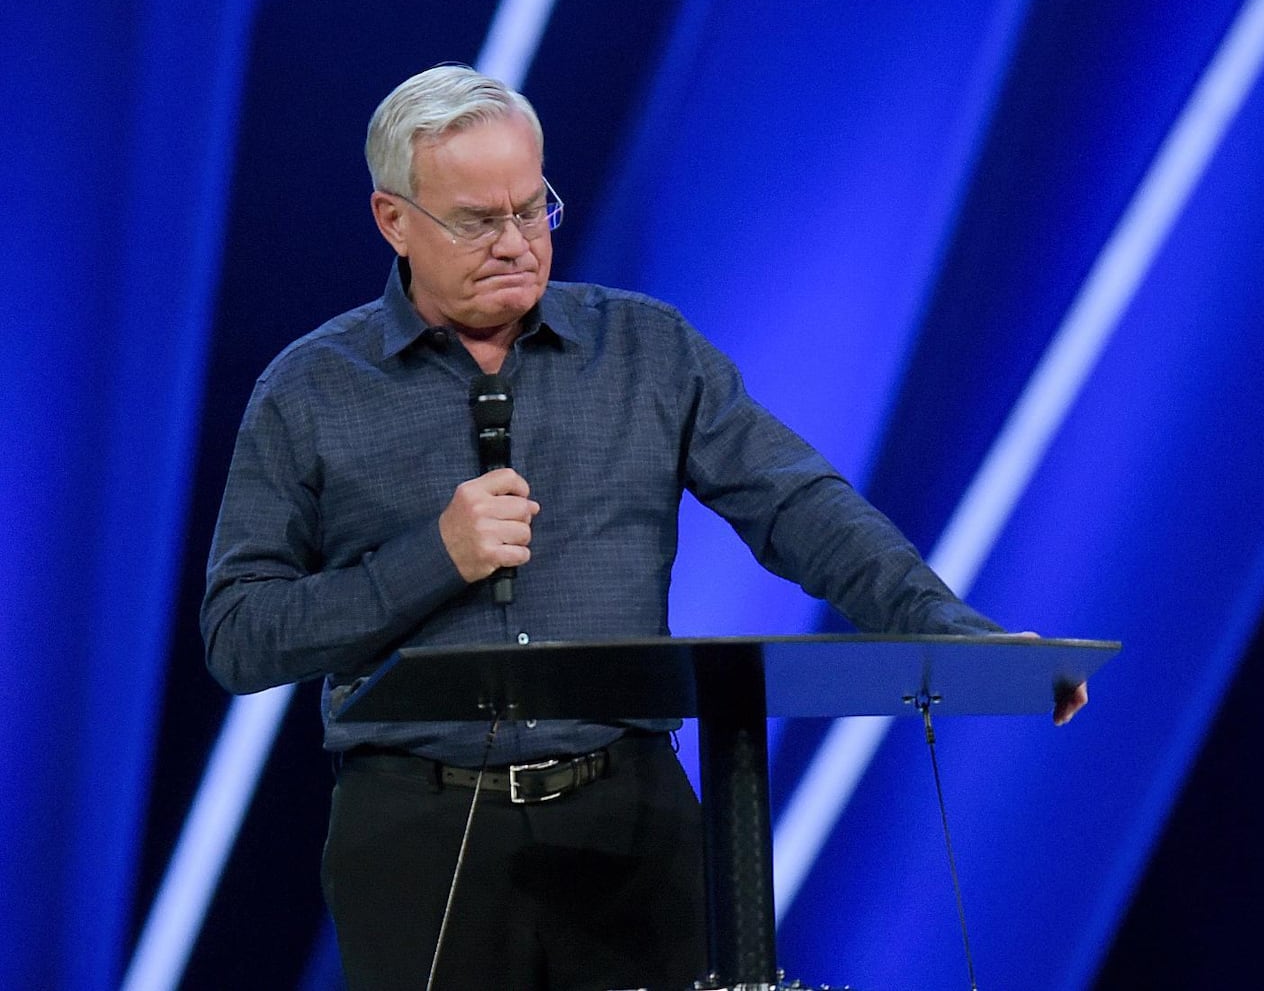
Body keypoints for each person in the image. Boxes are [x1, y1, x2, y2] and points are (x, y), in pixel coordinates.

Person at [202, 63, 1086, 991]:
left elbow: (799, 506)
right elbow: (240, 636)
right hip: (417, 833)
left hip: (628, 816)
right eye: (476, 220)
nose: (516, 243)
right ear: (393, 220)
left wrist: (957, 636)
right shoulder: (309, 389)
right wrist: (433, 558)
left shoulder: (646, 349)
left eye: (532, 207)